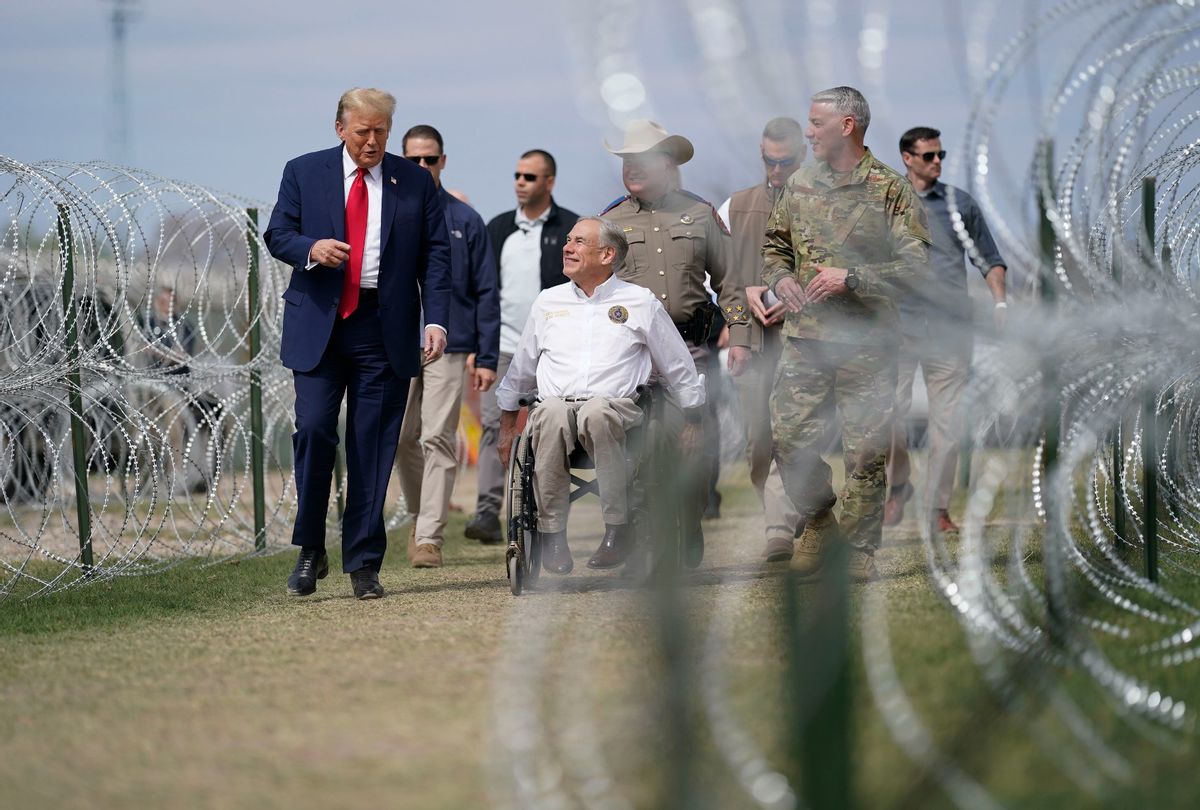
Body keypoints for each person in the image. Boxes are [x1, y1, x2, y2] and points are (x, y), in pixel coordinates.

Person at [264, 88, 451, 600]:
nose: (372, 141)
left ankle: (364, 563)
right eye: (363, 131)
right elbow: (277, 233)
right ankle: (310, 550)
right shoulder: (304, 171)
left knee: (372, 445)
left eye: (382, 132)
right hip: (320, 325)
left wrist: (436, 321)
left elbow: (436, 255)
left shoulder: (412, 181)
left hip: (382, 327)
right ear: (340, 127)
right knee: (316, 432)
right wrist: (311, 248)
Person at [762, 86, 931, 583]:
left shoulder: (890, 189)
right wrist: (782, 278)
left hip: (868, 345)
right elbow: (775, 246)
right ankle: (818, 520)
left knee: (865, 451)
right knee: (787, 439)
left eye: (815, 123)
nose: (808, 132)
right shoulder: (799, 186)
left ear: (847, 126)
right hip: (806, 341)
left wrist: (852, 278)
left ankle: (859, 549)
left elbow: (918, 266)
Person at [496, 217, 704, 573]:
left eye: (578, 242)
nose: (567, 247)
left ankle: (617, 530)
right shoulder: (548, 301)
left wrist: (693, 419)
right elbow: (521, 369)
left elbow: (677, 365)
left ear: (607, 254)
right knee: (549, 414)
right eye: (568, 239)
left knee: (595, 411)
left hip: (617, 411)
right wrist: (505, 425)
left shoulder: (639, 301)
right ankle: (553, 536)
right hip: (555, 410)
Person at [600, 119, 751, 568]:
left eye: (640, 161)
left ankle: (690, 517)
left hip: (691, 348)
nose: (631, 169)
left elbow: (732, 283)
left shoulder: (702, 214)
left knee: (694, 449)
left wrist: (740, 337)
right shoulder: (609, 221)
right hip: (632, 355)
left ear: (667, 164)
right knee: (641, 447)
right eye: (625, 162)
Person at [883, 126, 1007, 533]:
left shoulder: (958, 204)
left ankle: (938, 510)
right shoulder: (883, 201)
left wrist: (1000, 302)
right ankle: (898, 484)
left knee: (947, 427)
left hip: (950, 331)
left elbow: (989, 258)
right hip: (897, 328)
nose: (937, 162)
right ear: (907, 158)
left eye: (941, 155)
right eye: (928, 156)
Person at [396, 125, 500, 568]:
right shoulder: (388, 213)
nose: (423, 166)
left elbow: (486, 291)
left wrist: (486, 354)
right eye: (414, 159)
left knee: (437, 436)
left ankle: (429, 538)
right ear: (400, 161)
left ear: (443, 161)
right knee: (400, 439)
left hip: (450, 345)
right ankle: (422, 517)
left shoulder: (465, 220)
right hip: (394, 341)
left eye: (430, 159)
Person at [464, 150, 579, 545]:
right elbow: (481, 291)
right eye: (517, 175)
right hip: (505, 347)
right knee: (497, 424)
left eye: (530, 176)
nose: (520, 182)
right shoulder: (497, 229)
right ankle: (487, 512)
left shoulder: (572, 228)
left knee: (552, 427)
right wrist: (480, 348)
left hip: (558, 349)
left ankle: (546, 513)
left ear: (549, 182)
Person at [717, 117, 806, 563]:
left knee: (795, 435)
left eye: (784, 162)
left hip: (808, 340)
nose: (775, 170)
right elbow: (725, 279)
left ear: (803, 154)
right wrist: (737, 325)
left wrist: (798, 297)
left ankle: (785, 521)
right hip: (752, 341)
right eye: (768, 161)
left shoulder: (824, 203)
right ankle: (786, 516)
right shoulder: (735, 206)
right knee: (758, 442)